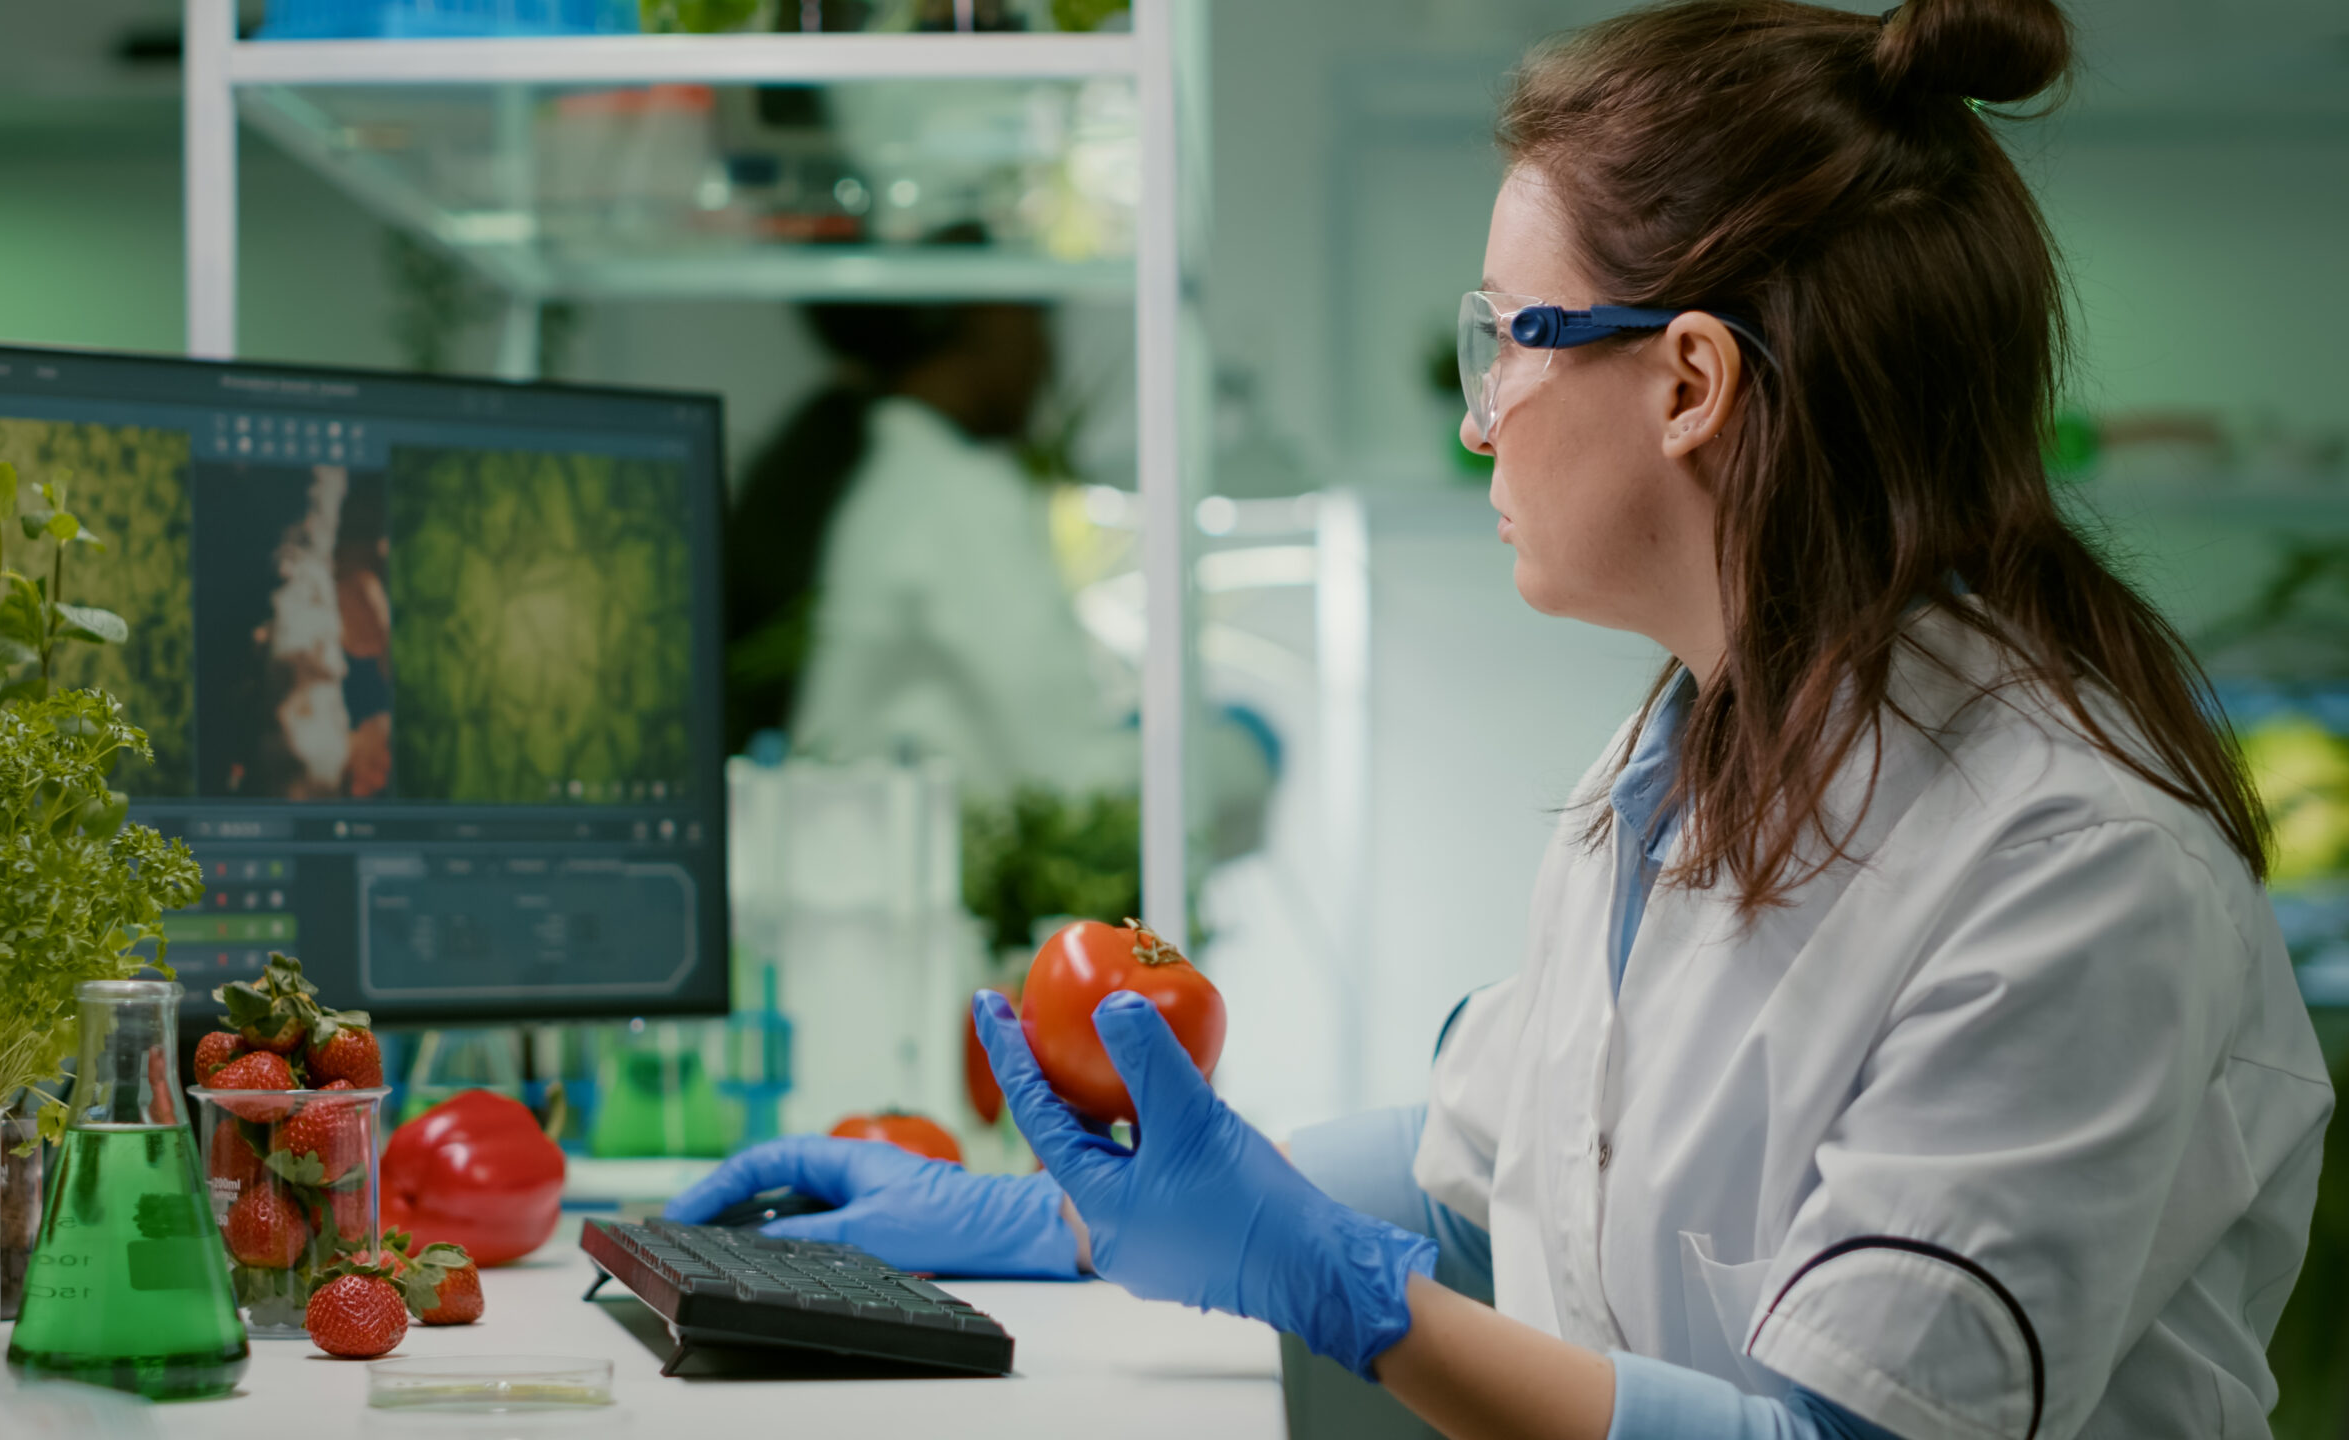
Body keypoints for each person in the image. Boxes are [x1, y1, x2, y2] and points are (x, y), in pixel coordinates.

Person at [672, 1, 2335, 1435]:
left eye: (1508, 340)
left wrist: (1340, 1295)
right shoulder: (1679, 756)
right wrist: (1055, 1218)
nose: (1484, 424)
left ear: (1691, 383)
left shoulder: (2071, 873)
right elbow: (1490, 1171)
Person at [724, 286, 1131, 798]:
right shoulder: (952, 493)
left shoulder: (868, 463)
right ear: (991, 313)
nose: (1046, 354)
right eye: (1037, 319)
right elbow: (1077, 774)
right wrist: (1236, 750)